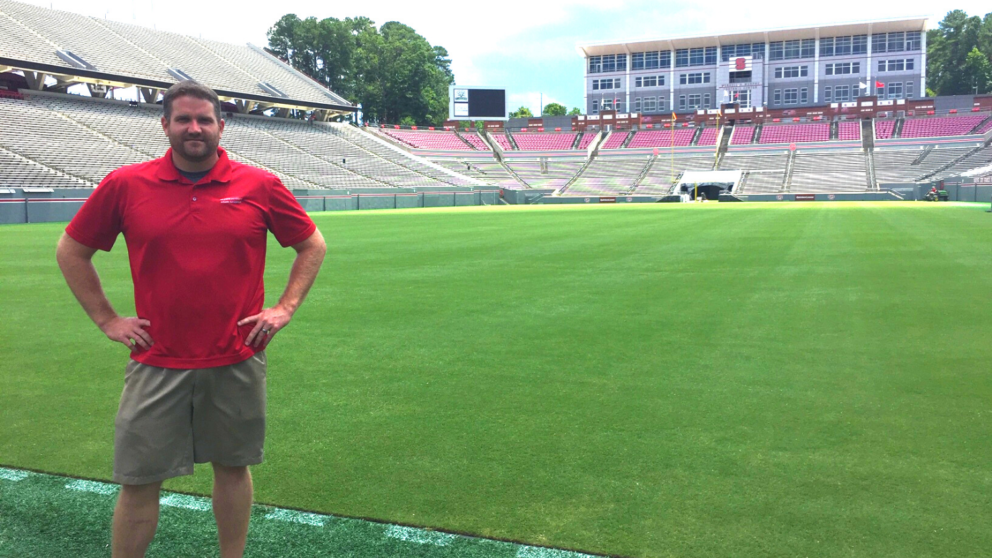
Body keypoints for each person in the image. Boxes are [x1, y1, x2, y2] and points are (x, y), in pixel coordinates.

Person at [56, 80, 327, 558]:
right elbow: (72, 251)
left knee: (232, 466)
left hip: (236, 357)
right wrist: (108, 320)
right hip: (157, 358)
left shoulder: (259, 185)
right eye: (183, 119)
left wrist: (284, 308)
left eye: (204, 119)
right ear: (165, 125)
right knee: (139, 479)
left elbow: (311, 244)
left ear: (222, 126)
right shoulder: (125, 184)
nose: (194, 128)